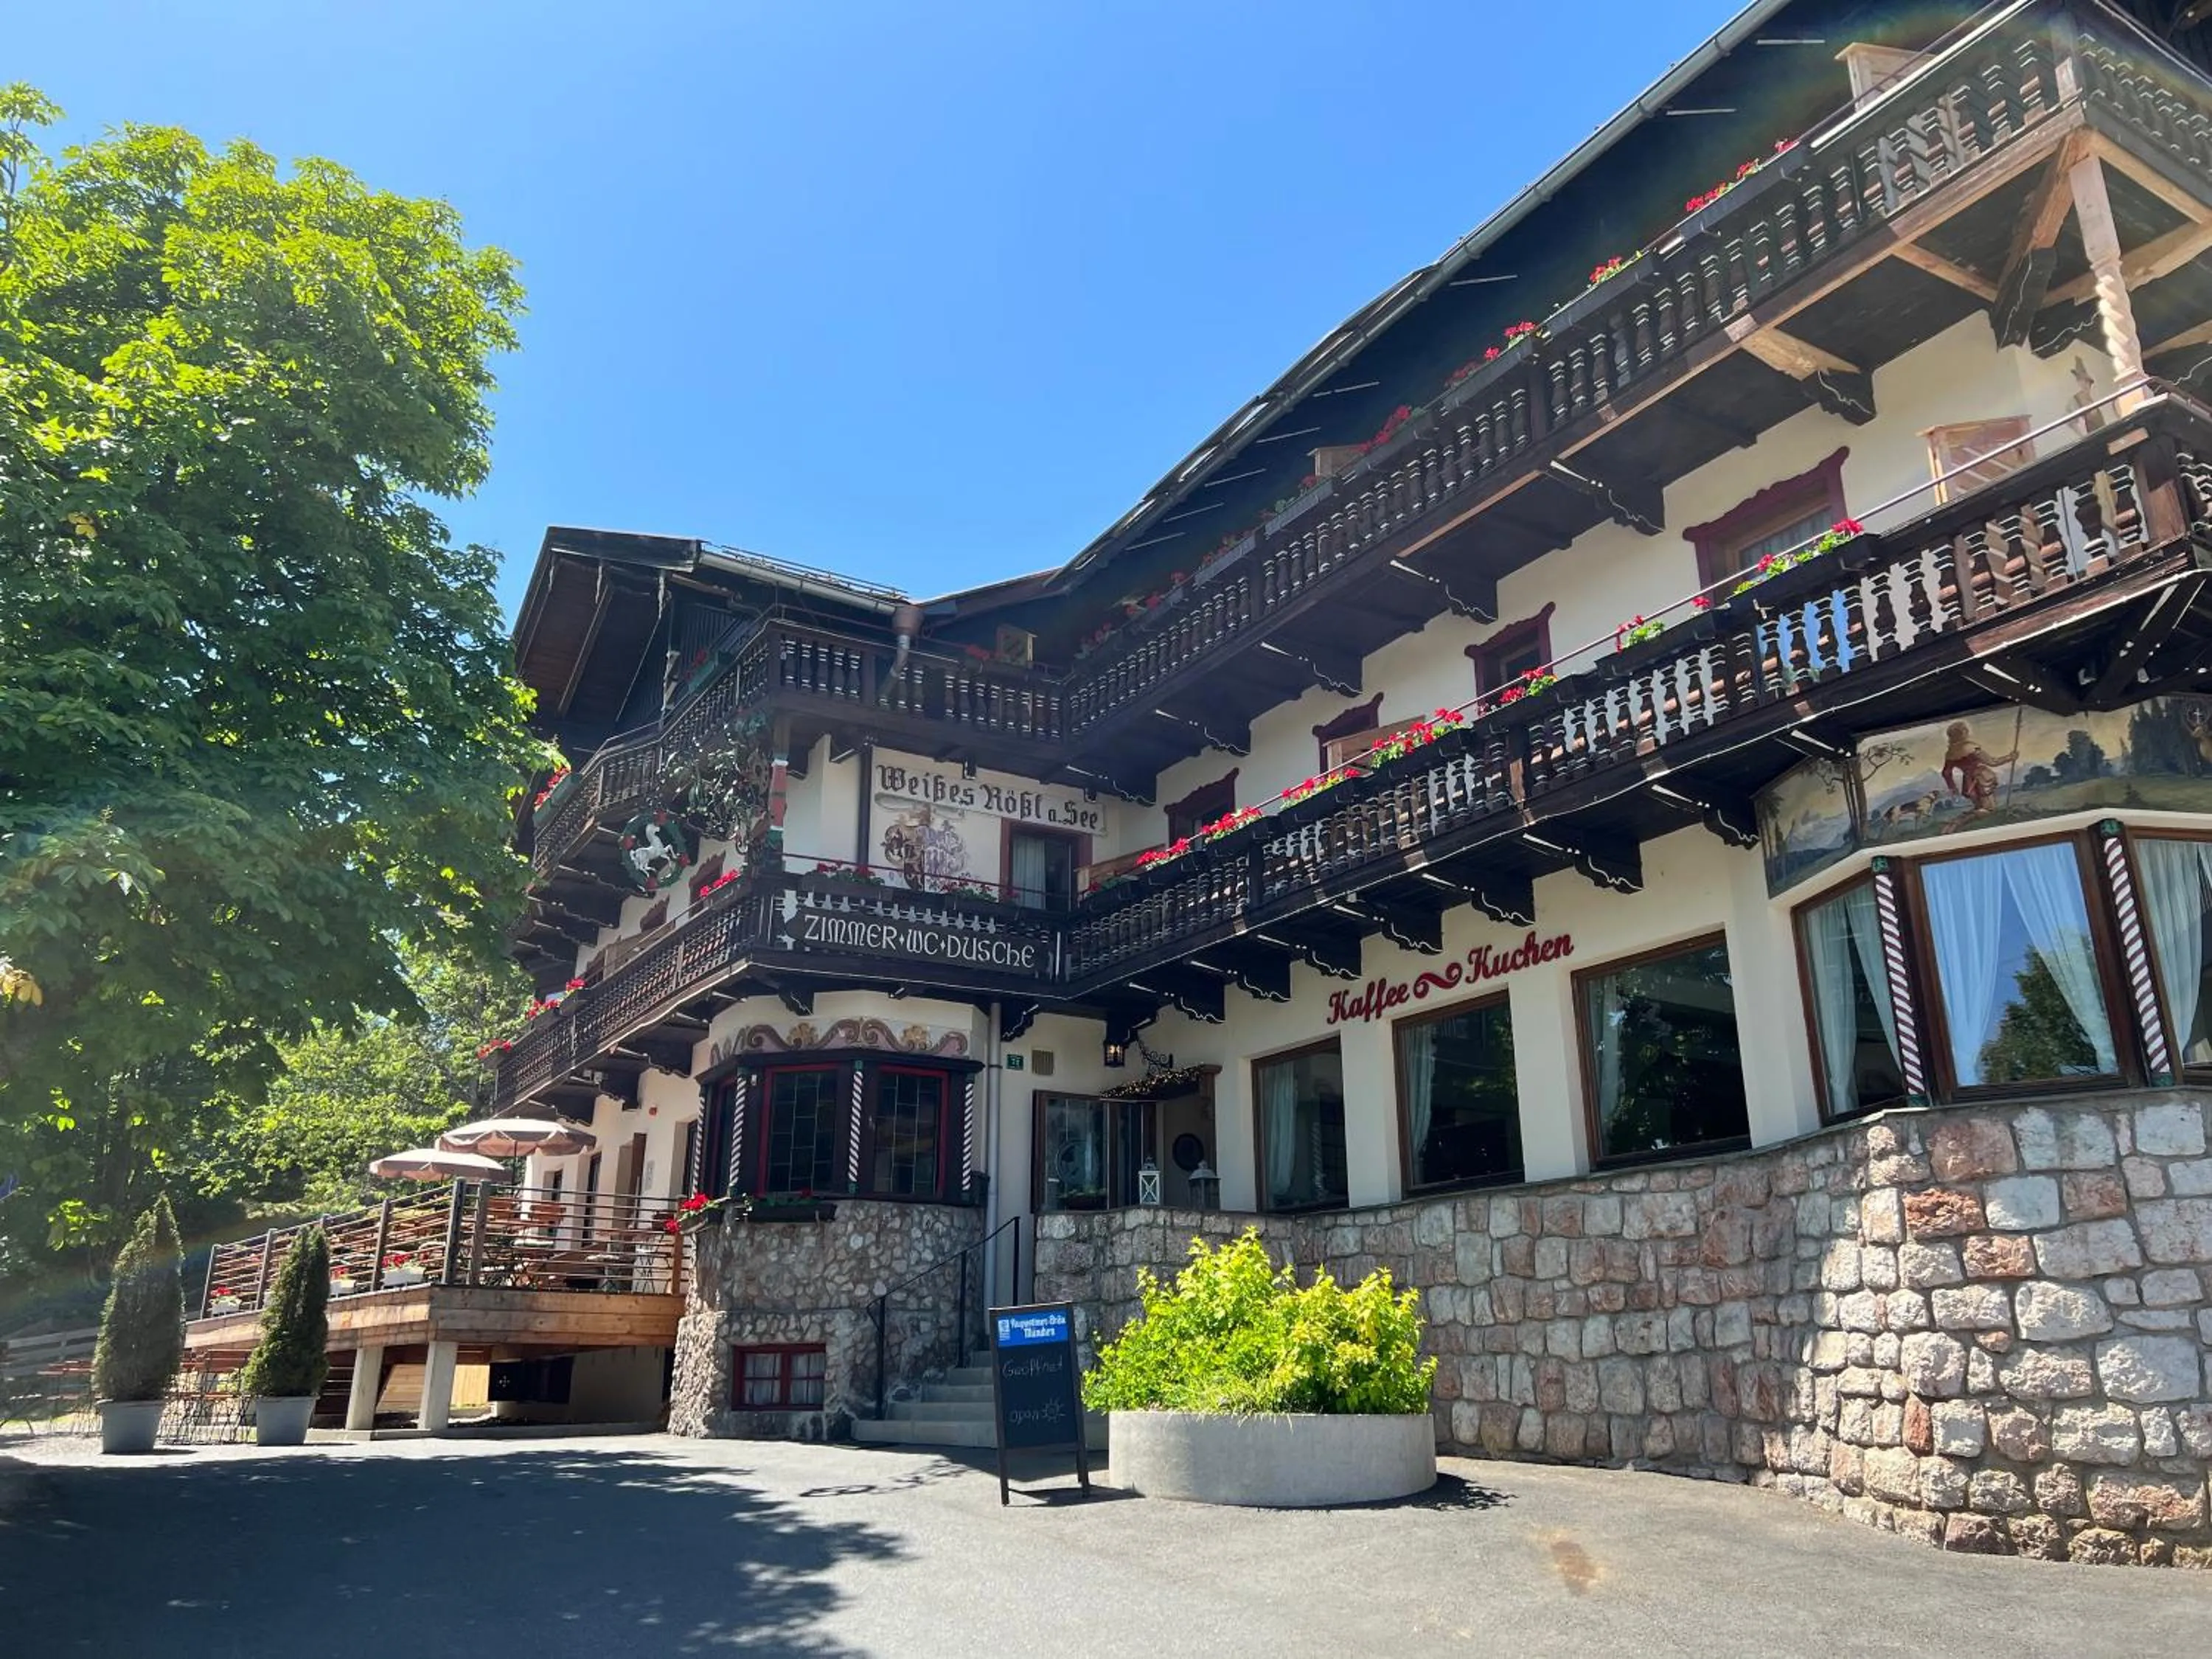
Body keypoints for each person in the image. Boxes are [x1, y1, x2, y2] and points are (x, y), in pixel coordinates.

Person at [1940, 720, 2017, 823]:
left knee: (1979, 807)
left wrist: (1953, 788)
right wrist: (2010, 757)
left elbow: (1946, 773)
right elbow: (1992, 762)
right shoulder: (1971, 748)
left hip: (1968, 780)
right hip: (1982, 777)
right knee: (1989, 809)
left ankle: (1959, 821)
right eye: (1965, 730)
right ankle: (1961, 821)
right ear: (1963, 733)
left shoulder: (1950, 753)